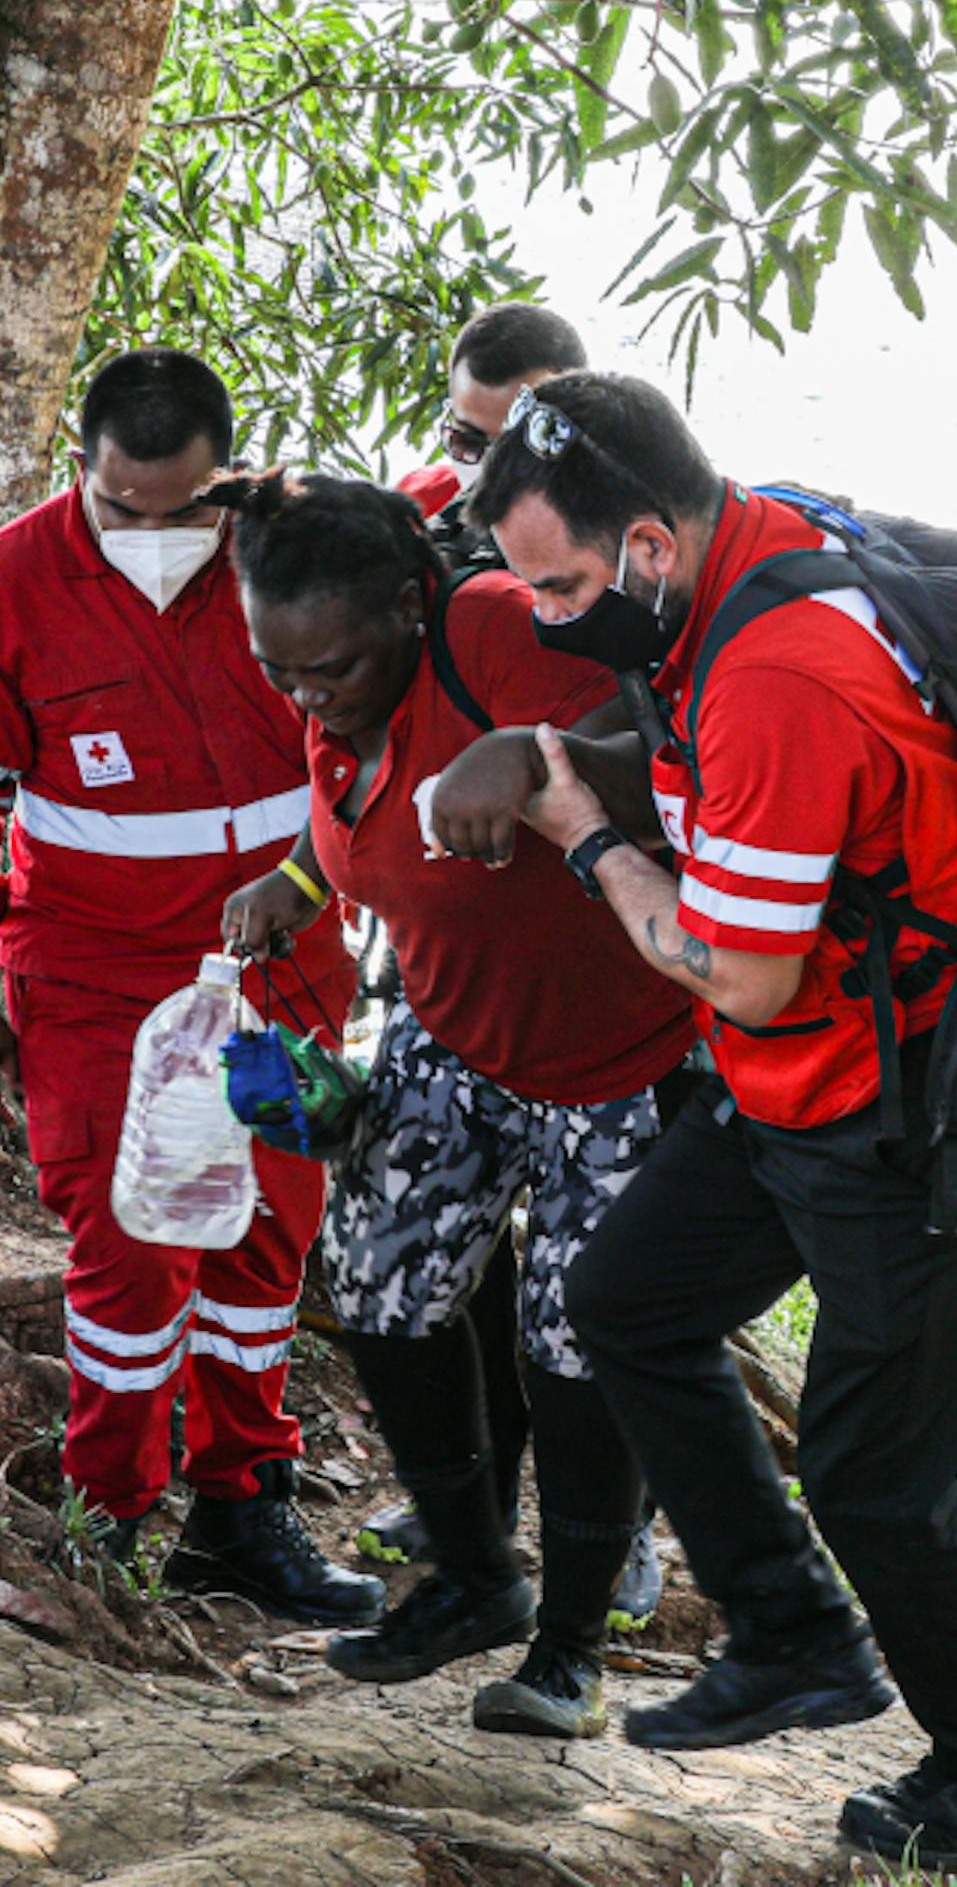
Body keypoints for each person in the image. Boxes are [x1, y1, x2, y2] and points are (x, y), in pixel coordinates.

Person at [428, 373, 957, 1869]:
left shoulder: (779, 677)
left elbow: (746, 968)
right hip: (802, 1084)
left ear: (651, 546)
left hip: (924, 1111)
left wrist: (581, 833)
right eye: (526, 587)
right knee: (627, 1298)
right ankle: (794, 1631)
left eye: (567, 588)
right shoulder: (734, 557)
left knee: (873, 1465)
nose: (545, 623)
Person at [0, 348, 383, 1626]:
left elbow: (396, 720)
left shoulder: (294, 549)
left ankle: (241, 1512)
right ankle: (105, 1517)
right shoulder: (1, 585)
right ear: (79, 470)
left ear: (235, 475)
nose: (160, 537)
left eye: (189, 511)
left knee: (269, 1231)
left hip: (287, 965)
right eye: (126, 511)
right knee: (134, 1243)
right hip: (97, 975)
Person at [221, 472, 691, 1737]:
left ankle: (572, 1645)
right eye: (280, 670)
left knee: (578, 1348)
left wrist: (534, 753)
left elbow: (677, 737)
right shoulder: (330, 690)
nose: (308, 693)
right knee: (379, 1280)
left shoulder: (494, 627)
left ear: (410, 606)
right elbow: (360, 810)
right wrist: (298, 882)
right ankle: (477, 1575)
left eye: (333, 666)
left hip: (625, 1053)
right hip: (452, 1034)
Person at [348, 299, 594, 1577]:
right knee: (461, 1253)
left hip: (606, 966)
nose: (481, 469)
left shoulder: (626, 548)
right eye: (463, 432)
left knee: (598, 1276)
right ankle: (478, 1503)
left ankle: (619, 1529)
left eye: (514, 444)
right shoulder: (421, 520)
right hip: (445, 959)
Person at [395, 301, 593, 531]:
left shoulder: (619, 540)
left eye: (520, 449)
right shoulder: (419, 501)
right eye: (467, 442)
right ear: (449, 413)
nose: (490, 473)